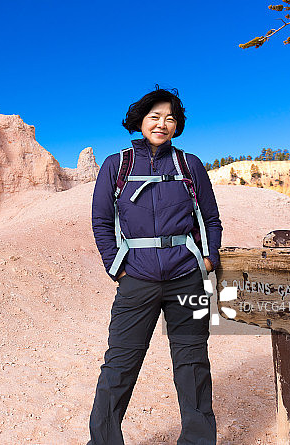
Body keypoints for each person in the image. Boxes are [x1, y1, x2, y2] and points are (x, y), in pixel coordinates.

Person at [88, 86, 222, 445]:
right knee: (119, 364)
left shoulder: (189, 165)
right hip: (137, 280)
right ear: (141, 121)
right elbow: (101, 222)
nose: (162, 124)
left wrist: (207, 259)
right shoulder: (116, 165)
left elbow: (210, 217)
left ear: (177, 126)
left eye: (170, 118)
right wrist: (117, 267)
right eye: (155, 117)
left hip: (187, 279)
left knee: (193, 364)